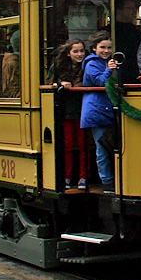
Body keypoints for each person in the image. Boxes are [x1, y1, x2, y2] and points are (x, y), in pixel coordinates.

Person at [80, 31, 118, 191]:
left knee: (110, 146)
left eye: (109, 48)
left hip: (107, 109)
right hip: (97, 110)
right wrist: (109, 70)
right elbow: (100, 82)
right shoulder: (92, 64)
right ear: (94, 48)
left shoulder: (105, 63)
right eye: (102, 47)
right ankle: (106, 181)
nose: (106, 51)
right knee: (102, 147)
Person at [53, 38, 92, 193]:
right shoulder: (59, 67)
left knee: (84, 145)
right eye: (75, 51)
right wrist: (61, 84)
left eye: (82, 51)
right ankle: (66, 177)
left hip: (83, 109)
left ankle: (84, 177)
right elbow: (51, 82)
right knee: (67, 144)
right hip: (67, 110)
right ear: (68, 53)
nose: (79, 54)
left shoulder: (87, 66)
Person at [110, 0, 141, 82]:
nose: (134, 11)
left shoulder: (136, 32)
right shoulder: (109, 31)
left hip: (134, 73)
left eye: (134, 8)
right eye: (129, 8)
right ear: (118, 10)